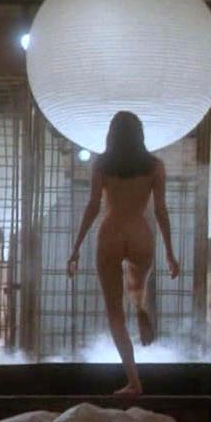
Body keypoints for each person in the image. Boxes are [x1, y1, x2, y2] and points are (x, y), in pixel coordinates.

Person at [67, 111, 180, 395]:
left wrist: (76, 247)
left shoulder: (102, 164)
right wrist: (170, 252)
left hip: (111, 232)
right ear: (140, 135)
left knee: (114, 311)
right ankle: (140, 306)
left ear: (111, 135)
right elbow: (161, 210)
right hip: (140, 232)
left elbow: (93, 206)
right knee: (137, 283)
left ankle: (133, 380)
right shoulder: (155, 166)